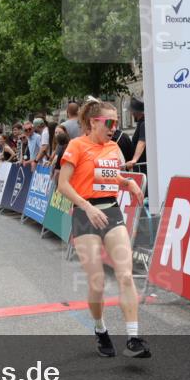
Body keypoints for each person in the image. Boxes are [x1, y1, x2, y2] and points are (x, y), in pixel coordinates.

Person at [56, 98, 148, 359]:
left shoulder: (112, 148)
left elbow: (104, 177)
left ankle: (133, 337)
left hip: (111, 211)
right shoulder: (76, 146)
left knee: (125, 275)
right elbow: (64, 184)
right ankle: (100, 329)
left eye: (116, 122)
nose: (114, 127)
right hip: (85, 215)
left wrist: (126, 183)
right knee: (96, 281)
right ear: (92, 123)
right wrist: (87, 207)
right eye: (109, 122)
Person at [124, 98, 147, 180]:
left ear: (136, 112)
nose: (131, 113)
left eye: (132, 111)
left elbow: (142, 142)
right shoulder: (141, 123)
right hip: (142, 166)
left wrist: (134, 160)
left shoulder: (144, 124)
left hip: (144, 168)